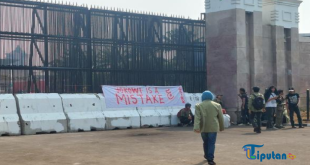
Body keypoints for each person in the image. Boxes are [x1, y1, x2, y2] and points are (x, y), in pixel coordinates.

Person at [194, 91, 224, 165]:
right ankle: (210, 159)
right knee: (211, 143)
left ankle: (206, 155)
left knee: (205, 142)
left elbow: (197, 117)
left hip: (203, 127)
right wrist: (221, 127)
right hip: (213, 127)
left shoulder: (198, 105)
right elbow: (220, 117)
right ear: (211, 97)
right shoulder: (217, 105)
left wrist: (196, 127)